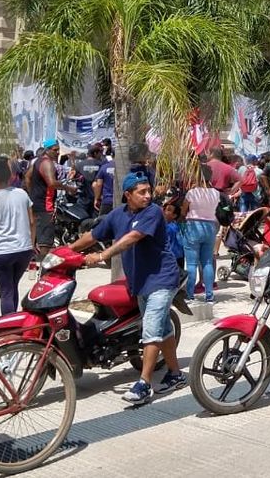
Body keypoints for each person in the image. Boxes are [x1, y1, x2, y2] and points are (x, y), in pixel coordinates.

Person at [71, 173, 184, 403]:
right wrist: (67, 251)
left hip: (161, 279)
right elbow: (93, 235)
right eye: (141, 192)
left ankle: (144, 384)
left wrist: (103, 254)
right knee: (162, 329)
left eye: (148, 191)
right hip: (141, 282)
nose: (147, 196)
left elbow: (132, 238)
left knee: (151, 330)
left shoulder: (152, 212)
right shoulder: (118, 215)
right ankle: (175, 373)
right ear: (128, 195)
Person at [0, 157, 37, 315]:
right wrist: (31, 245)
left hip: (2, 251)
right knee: (13, 287)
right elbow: (32, 221)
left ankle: (8, 328)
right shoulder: (22, 194)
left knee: (5, 292)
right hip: (24, 250)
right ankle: (14, 321)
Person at [26, 139, 75, 255]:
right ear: (47, 150)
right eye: (55, 150)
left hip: (36, 203)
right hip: (45, 206)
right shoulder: (48, 163)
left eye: (58, 150)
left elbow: (27, 177)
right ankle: (45, 269)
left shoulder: (38, 161)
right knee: (45, 243)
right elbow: (52, 183)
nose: (58, 153)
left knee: (36, 236)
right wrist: (69, 188)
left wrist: (31, 194)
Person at [182, 166, 220, 304]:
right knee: (207, 262)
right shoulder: (216, 193)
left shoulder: (192, 193)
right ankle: (209, 295)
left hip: (193, 226)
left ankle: (190, 294)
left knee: (191, 263)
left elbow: (183, 210)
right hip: (210, 226)